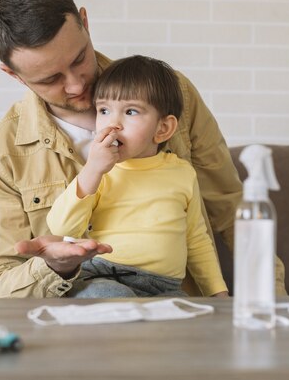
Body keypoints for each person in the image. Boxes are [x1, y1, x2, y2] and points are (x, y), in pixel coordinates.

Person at [0, 0, 286, 298]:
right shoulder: (2, 151)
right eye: (50, 78)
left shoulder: (172, 92)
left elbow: (232, 211)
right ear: (13, 74)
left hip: (177, 309)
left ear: (85, 21)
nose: (77, 84)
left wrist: (274, 306)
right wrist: (53, 266)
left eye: (79, 58)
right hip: (78, 323)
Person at [46, 55, 228, 298]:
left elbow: (196, 239)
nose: (114, 123)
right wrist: (92, 170)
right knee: (111, 296)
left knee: (186, 315)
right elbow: (63, 227)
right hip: (104, 276)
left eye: (130, 111)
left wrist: (218, 293)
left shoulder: (182, 173)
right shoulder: (99, 172)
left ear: (163, 128)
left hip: (165, 287)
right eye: (104, 110)